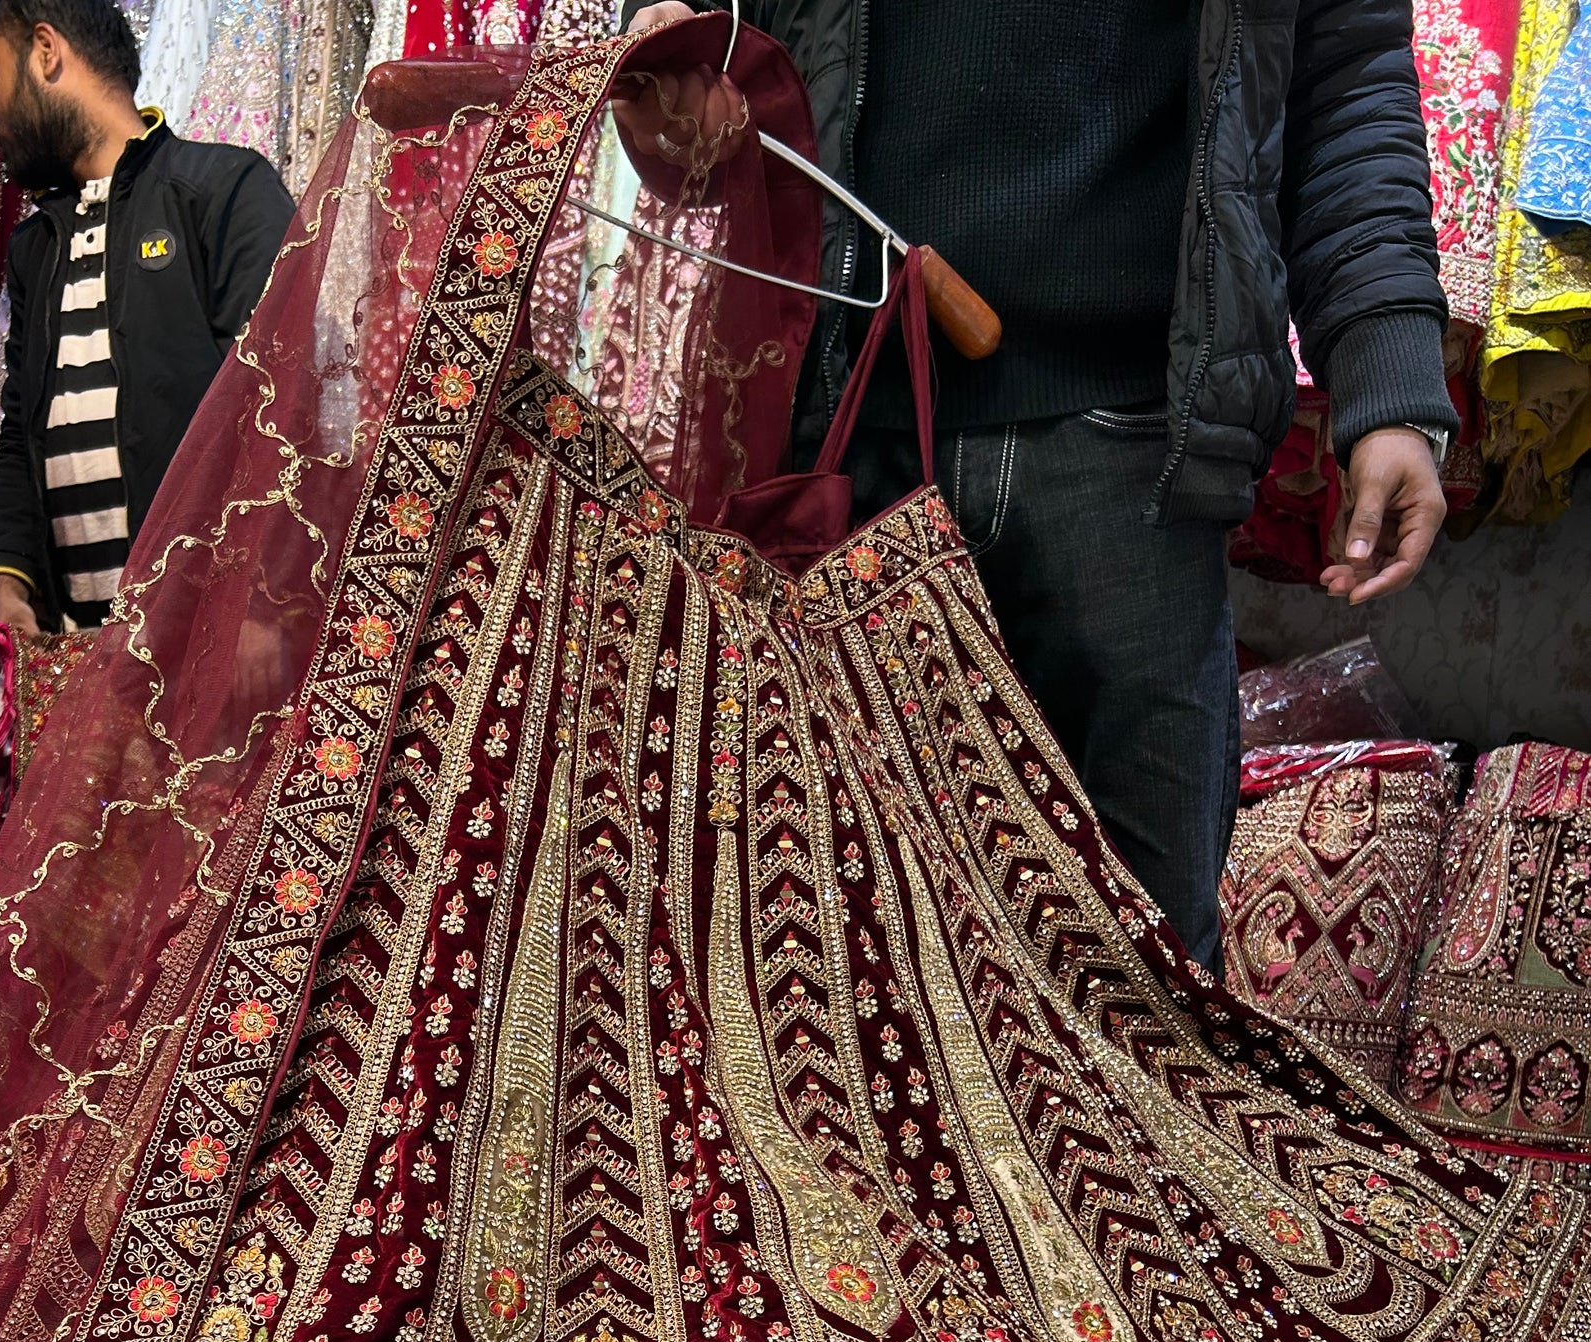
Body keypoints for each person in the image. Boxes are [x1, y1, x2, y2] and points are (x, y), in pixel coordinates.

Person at [616, 0, 1456, 970]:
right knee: (818, 970)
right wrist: (666, 44)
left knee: (1144, 996)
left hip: (1136, 450)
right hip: (843, 425)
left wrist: (1387, 374)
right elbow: (703, 46)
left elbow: (1344, 65)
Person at [0, 0, 294, 634]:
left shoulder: (223, 189)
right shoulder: (35, 250)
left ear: (45, 50)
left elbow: (275, 408)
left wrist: (255, 608)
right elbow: (19, 433)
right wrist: (8, 588)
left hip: (207, 640)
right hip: (78, 655)